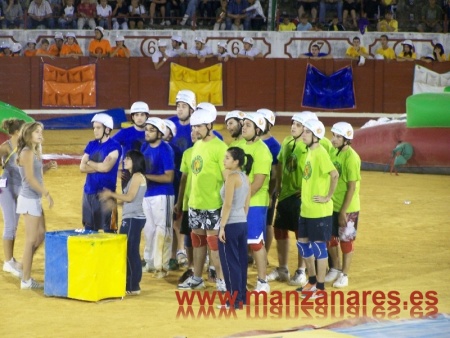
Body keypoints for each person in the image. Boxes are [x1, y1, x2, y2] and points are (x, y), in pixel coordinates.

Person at [177, 107, 228, 291]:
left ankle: (222, 280)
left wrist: (227, 207)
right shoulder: (196, 146)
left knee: (214, 245)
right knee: (197, 242)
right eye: (193, 127)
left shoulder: (221, 148)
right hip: (195, 204)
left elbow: (228, 179)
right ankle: (197, 278)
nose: (195, 130)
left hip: (213, 205)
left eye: (198, 126)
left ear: (209, 125)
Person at [268, 113, 316, 287]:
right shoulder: (288, 141)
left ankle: (301, 270)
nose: (293, 127)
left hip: (300, 197)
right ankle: (282, 268)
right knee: (280, 231)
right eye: (293, 123)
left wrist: (309, 189)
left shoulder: (312, 145)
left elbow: (322, 169)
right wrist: (279, 184)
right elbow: (280, 163)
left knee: (301, 235)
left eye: (298, 124)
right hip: (286, 195)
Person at [296, 119, 339, 299]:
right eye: (303, 131)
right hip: (306, 210)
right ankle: (312, 281)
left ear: (316, 135)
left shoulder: (320, 152)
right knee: (303, 243)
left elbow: (334, 174)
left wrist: (328, 196)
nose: (303, 134)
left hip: (319, 211)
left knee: (319, 248)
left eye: (307, 132)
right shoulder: (309, 152)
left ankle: (320, 288)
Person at [99, 150, 147, 295]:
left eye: (128, 158)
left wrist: (111, 194)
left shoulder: (138, 176)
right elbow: (130, 200)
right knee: (128, 250)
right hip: (131, 217)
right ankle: (130, 283)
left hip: (133, 219)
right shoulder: (134, 178)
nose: (125, 160)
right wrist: (116, 204)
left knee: (130, 251)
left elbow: (130, 197)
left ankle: (133, 286)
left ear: (135, 161)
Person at [16, 122, 54, 289]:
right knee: (31, 240)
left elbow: (34, 175)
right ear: (28, 134)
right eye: (37, 132)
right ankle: (26, 279)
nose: (40, 134)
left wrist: (46, 168)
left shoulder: (33, 151)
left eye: (41, 131)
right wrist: (46, 193)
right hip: (30, 199)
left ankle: (23, 268)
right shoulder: (27, 152)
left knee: (40, 237)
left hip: (34, 199)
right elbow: (30, 179)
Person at [238, 113, 272, 292]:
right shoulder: (238, 146)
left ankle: (262, 281)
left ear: (258, 130)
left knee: (255, 242)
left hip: (255, 203)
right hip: (240, 203)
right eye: (243, 124)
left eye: (248, 125)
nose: (243, 127)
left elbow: (258, 182)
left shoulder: (262, 151)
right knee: (240, 242)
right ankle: (241, 279)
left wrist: (240, 200)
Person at [324, 122, 360, 288]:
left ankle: (345, 274)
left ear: (347, 140)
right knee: (330, 238)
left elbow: (352, 187)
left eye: (339, 137)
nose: (334, 139)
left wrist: (343, 212)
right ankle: (336, 268)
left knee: (346, 241)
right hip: (332, 205)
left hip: (348, 208)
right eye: (334, 135)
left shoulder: (352, 158)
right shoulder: (333, 152)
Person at [141, 117, 175, 278]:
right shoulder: (144, 147)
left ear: (160, 133)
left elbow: (169, 177)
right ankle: (149, 262)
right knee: (149, 230)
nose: (147, 133)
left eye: (151, 130)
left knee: (163, 230)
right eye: (146, 129)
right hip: (147, 194)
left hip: (163, 194)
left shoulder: (166, 149)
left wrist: (146, 176)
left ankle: (162, 266)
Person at [218, 147, 252, 309]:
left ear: (236, 161)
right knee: (240, 262)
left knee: (230, 263)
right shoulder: (245, 177)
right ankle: (242, 298)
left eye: (227, 158)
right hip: (242, 223)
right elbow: (247, 204)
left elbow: (228, 204)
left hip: (231, 224)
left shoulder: (232, 177)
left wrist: (222, 226)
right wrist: (242, 219)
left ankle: (233, 301)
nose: (224, 160)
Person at [79, 113, 122, 233]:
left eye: (98, 127)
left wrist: (90, 162)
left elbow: (106, 168)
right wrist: (100, 165)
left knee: (110, 231)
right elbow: (82, 167)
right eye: (94, 128)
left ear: (107, 129)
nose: (95, 131)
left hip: (107, 195)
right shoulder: (91, 144)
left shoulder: (115, 146)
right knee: (89, 230)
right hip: (89, 193)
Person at [0, 118, 26, 278]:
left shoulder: (26, 147)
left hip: (19, 188)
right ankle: (8, 262)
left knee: (14, 225)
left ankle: (10, 260)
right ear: (17, 132)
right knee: (10, 224)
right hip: (5, 187)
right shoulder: (5, 147)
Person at [256, 109, 280, 260]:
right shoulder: (252, 141)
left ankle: (263, 254)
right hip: (254, 190)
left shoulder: (274, 145)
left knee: (266, 223)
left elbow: (276, 174)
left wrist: (271, 194)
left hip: (267, 190)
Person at [111, 101, 148, 189]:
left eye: (142, 115)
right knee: (129, 201)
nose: (139, 118)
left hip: (148, 172)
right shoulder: (124, 133)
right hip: (128, 172)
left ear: (146, 116)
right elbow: (109, 148)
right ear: (132, 117)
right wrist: (115, 170)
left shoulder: (152, 132)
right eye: (136, 115)